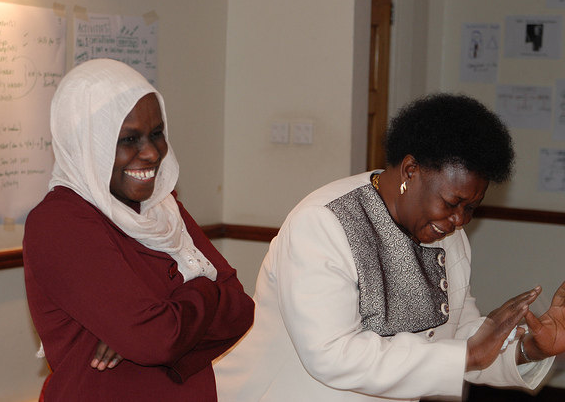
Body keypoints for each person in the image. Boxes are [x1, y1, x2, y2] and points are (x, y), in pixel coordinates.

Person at [214, 93, 565, 402]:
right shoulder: (324, 223)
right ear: (411, 171)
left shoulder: (445, 235)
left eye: (471, 207)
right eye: (452, 202)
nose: (460, 221)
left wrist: (527, 347)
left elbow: (459, 337)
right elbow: (331, 355)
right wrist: (466, 355)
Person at [23, 59, 254, 401]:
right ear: (88, 142)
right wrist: (206, 289)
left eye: (157, 133)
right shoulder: (61, 220)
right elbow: (155, 340)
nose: (151, 153)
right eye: (129, 139)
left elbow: (241, 309)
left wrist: (151, 323)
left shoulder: (163, 207)